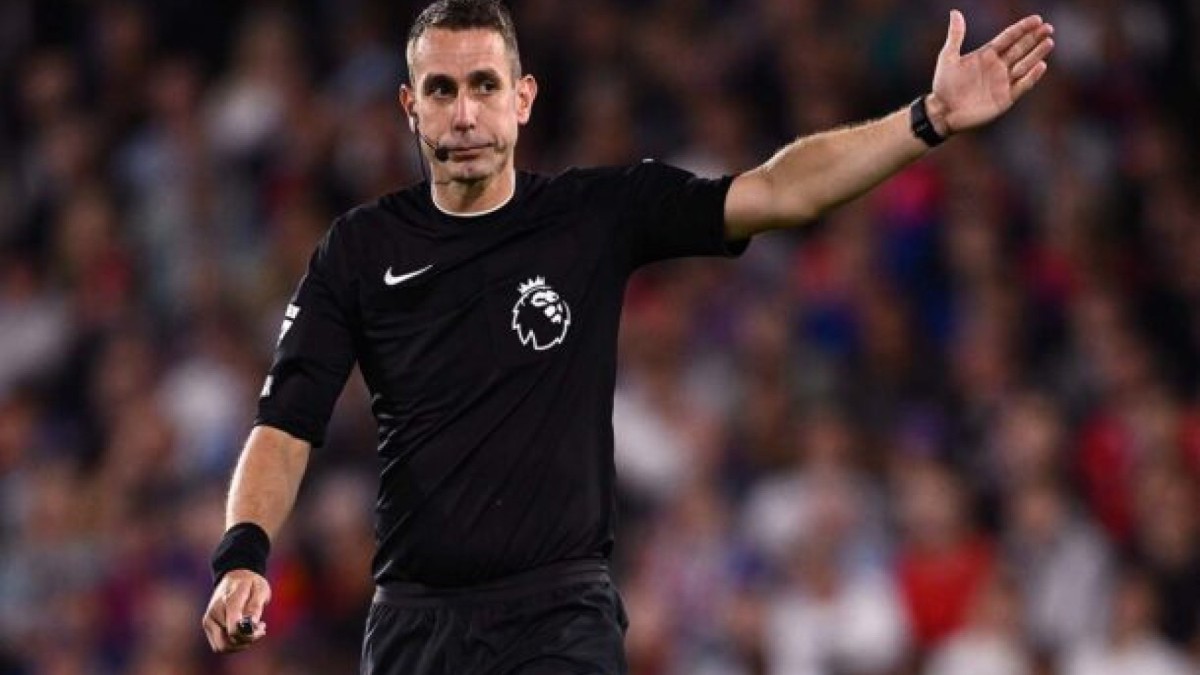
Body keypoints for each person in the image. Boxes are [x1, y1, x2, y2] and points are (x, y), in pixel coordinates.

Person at [200, 1, 1055, 672]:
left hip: (558, 614)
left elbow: (776, 192)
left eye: (486, 85)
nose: (465, 113)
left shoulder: (592, 215)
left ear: (523, 98)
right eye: (441, 90)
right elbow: (286, 422)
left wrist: (927, 118)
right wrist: (244, 553)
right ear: (409, 107)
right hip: (416, 621)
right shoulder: (360, 249)